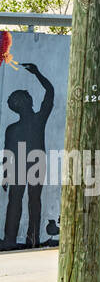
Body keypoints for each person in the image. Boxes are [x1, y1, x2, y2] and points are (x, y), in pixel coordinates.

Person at [3, 62, 54, 249]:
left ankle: (22, 239)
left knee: (23, 202)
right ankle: (21, 239)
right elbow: (7, 153)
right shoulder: (35, 121)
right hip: (31, 164)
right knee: (27, 202)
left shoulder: (19, 126)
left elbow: (50, 93)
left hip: (31, 164)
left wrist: (38, 72)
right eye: (23, 99)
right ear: (25, 103)